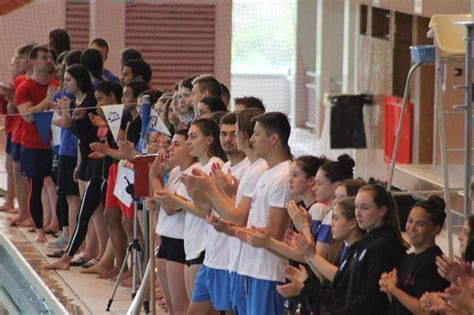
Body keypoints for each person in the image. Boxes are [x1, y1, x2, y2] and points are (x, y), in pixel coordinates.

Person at [154, 118, 226, 303]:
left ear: (209, 140)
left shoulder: (214, 166)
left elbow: (206, 211)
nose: (189, 142)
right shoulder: (199, 167)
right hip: (192, 245)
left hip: (203, 246)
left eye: (193, 137)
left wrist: (172, 198)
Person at [230, 112, 293, 315]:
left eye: (256, 134)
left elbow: (274, 233)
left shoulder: (283, 176)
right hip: (253, 269)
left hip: (269, 272)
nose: (251, 139)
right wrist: (232, 229)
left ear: (274, 138)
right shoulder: (269, 172)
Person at [149, 129, 198, 315]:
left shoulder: (194, 173)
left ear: (189, 148)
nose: (171, 148)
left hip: (180, 243)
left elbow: (171, 208)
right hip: (166, 239)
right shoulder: (177, 171)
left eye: (177, 144)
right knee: (171, 307)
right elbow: (165, 205)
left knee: (182, 308)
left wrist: (154, 178)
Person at [15, 45, 60, 243]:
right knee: (37, 184)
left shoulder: (57, 84)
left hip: (55, 145)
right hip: (33, 145)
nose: (49, 61)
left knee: (59, 186)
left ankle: (58, 225)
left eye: (50, 57)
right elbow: (28, 117)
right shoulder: (24, 88)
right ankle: (39, 229)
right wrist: (47, 101)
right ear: (33, 61)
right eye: (44, 58)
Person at [379, 195, 450, 314]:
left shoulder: (434, 264)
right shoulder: (408, 259)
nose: (411, 228)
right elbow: (398, 304)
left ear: (435, 229)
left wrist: (393, 289)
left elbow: (425, 311)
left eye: (420, 224)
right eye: (410, 221)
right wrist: (388, 287)